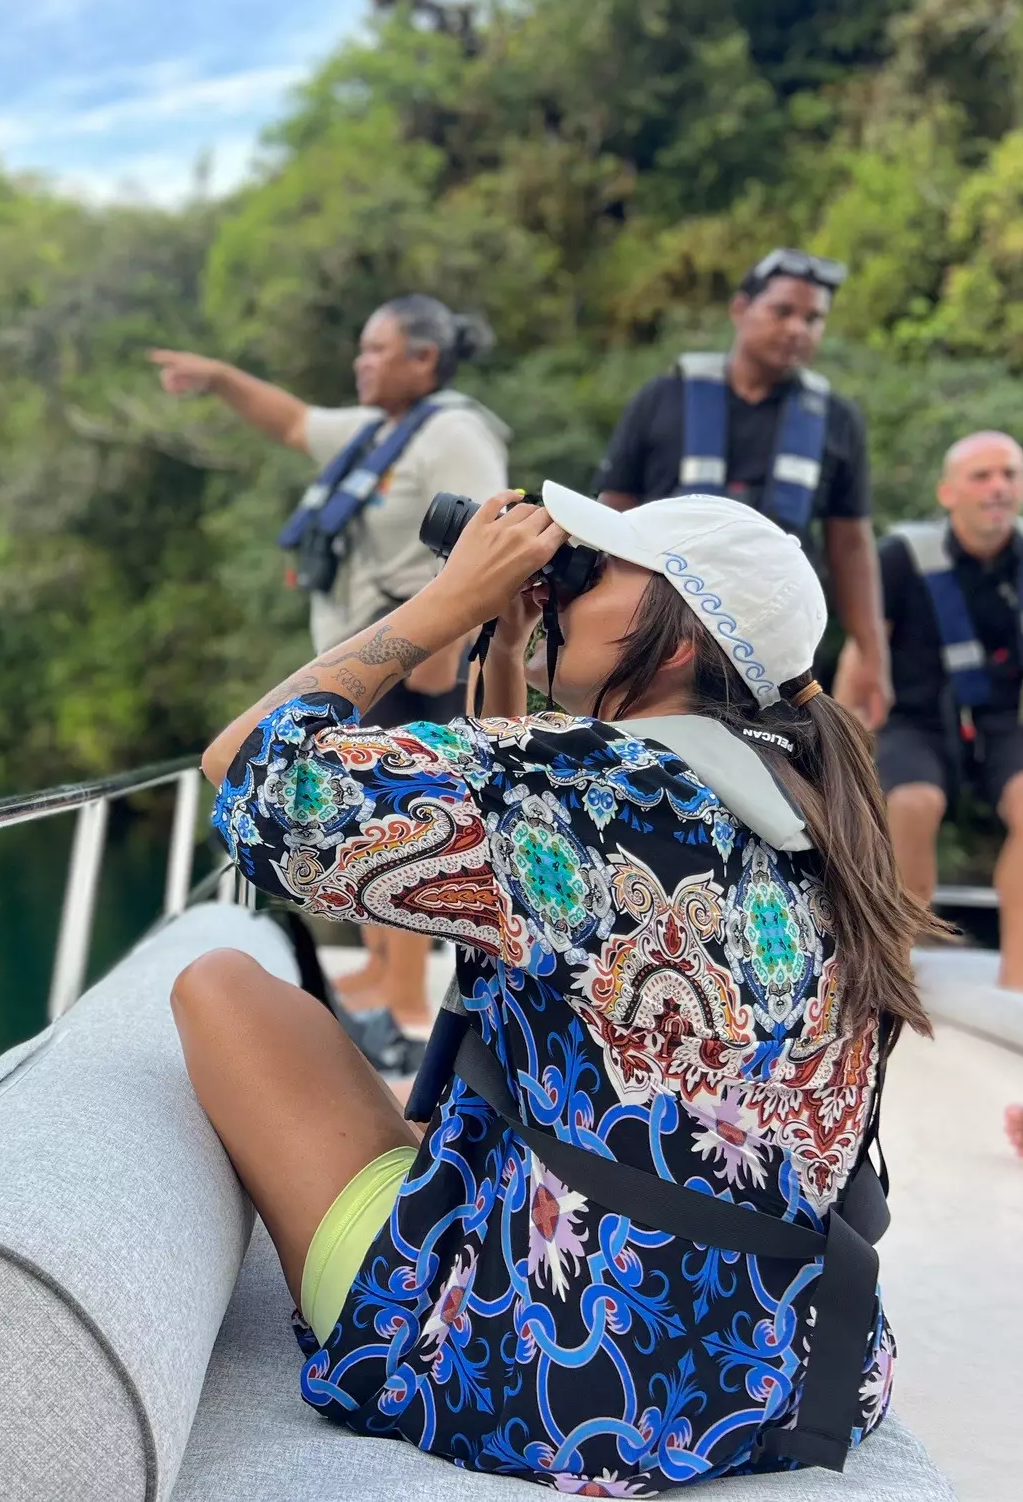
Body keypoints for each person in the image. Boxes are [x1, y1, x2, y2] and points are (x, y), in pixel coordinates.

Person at [172, 485, 936, 1491]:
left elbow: (244, 774)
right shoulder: (812, 799)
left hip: (563, 1383)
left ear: (669, 640)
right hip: (799, 1368)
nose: (563, 583)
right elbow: (510, 876)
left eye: (598, 567)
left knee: (222, 984)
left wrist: (437, 608)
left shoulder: (585, 787)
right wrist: (513, 646)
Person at [150, 297, 509, 1037]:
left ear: (425, 361)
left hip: (414, 667)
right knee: (352, 812)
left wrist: (440, 664)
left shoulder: (453, 433)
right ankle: (381, 968)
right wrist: (218, 376)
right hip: (362, 667)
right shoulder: (374, 430)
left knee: (400, 823)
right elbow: (289, 421)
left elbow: (485, 541)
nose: (361, 362)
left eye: (378, 350)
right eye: (362, 348)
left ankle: (407, 998)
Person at [841, 431, 1023, 999]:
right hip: (915, 720)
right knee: (914, 803)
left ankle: (1022, 969)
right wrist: (838, 752)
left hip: (1003, 723)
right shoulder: (898, 558)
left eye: (1009, 475)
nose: (998, 487)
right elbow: (863, 656)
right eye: (982, 476)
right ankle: (896, 967)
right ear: (948, 492)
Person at [593, 248, 891, 728]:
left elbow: (851, 547)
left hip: (778, 650)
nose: (798, 328)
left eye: (814, 319)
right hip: (662, 632)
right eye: (783, 311)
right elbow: (610, 515)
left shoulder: (837, 420)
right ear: (740, 309)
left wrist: (873, 657)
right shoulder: (662, 398)